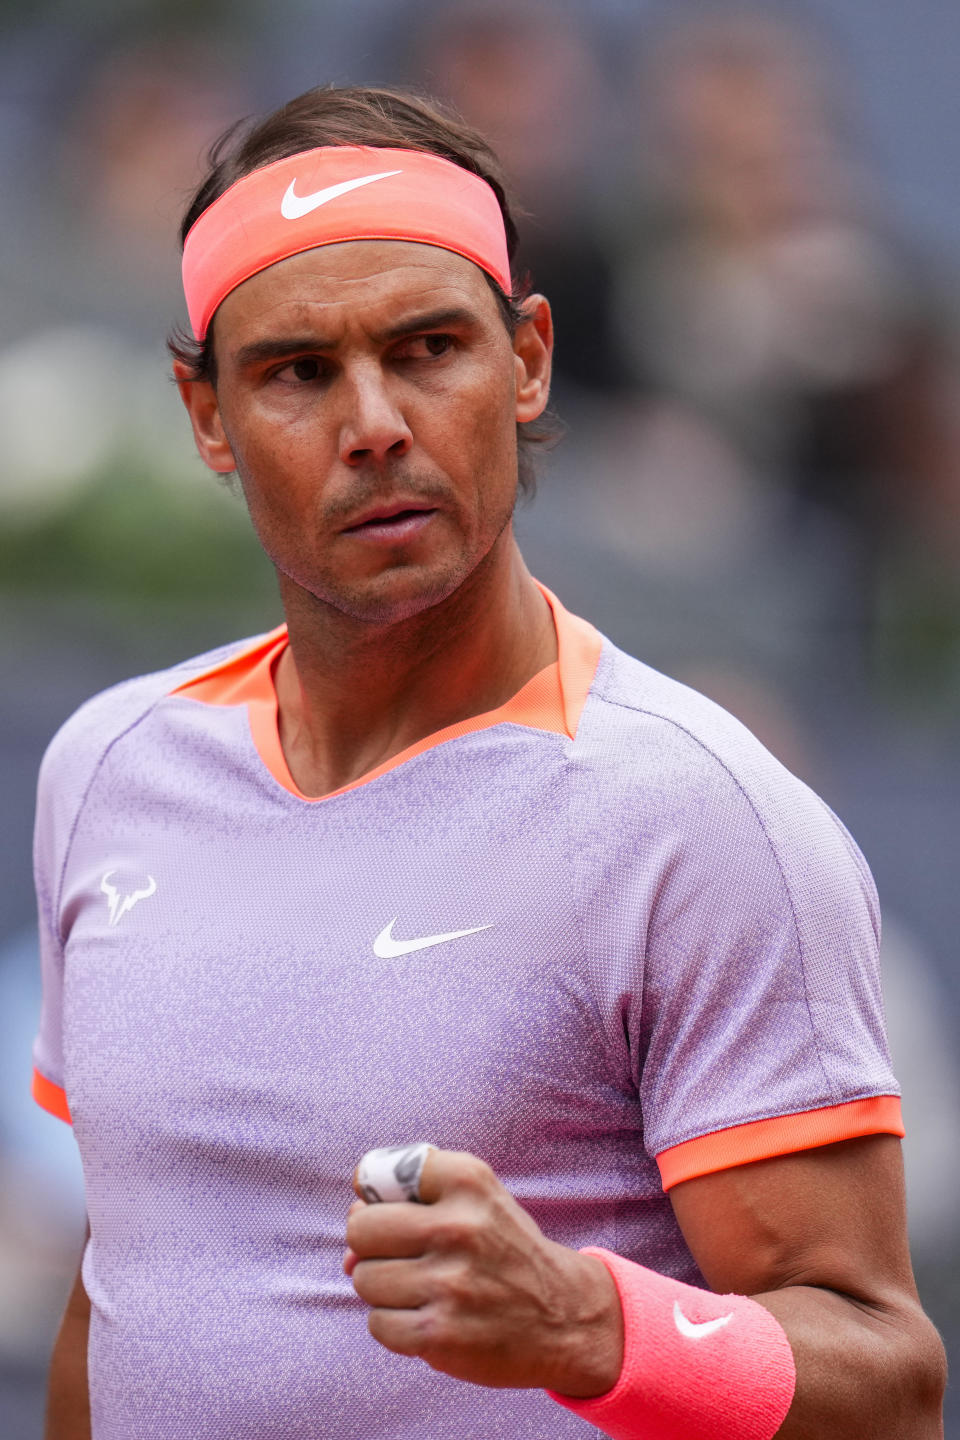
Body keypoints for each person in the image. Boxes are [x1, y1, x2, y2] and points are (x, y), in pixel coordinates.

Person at [32, 85, 944, 1440]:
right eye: (296, 372)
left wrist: (589, 1326)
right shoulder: (105, 767)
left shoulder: (699, 819)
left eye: (429, 349)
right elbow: (129, 1282)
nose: (376, 423)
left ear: (527, 362)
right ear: (207, 416)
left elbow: (891, 1385)